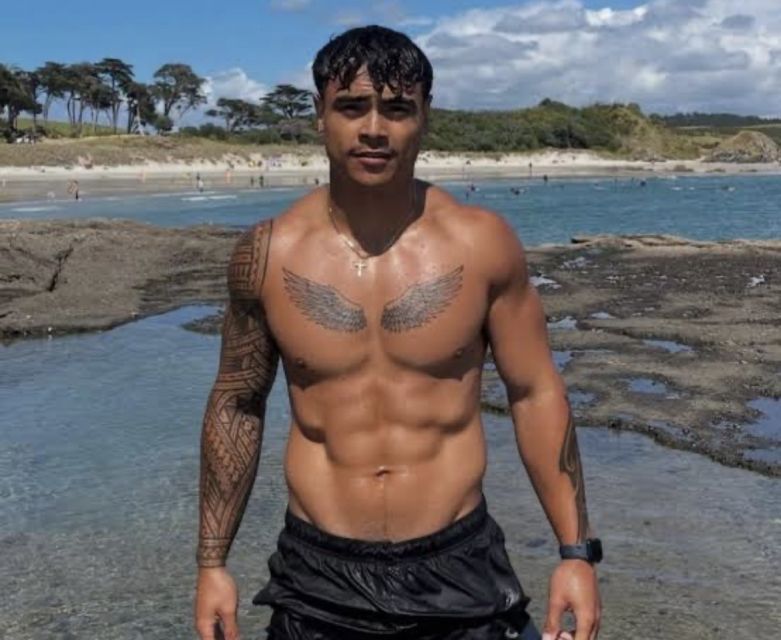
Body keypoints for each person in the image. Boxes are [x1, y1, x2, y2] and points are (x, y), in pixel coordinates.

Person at [194, 25, 602, 640]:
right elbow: (237, 402)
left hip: (457, 564)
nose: (374, 129)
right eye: (352, 107)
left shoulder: (481, 243)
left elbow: (535, 391)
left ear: (425, 116)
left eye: (397, 108)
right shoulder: (269, 254)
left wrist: (575, 554)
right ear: (319, 114)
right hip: (317, 574)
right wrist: (212, 564)